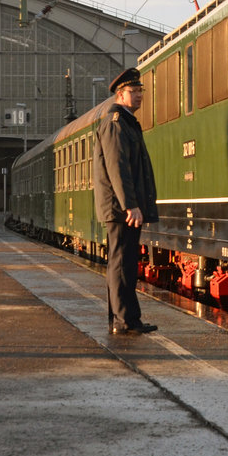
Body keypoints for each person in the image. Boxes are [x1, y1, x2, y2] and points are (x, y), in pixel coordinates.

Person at [92, 67, 160, 336]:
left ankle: (128, 318)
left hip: (124, 207)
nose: (140, 95)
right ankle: (124, 320)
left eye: (141, 91)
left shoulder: (126, 122)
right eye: (134, 92)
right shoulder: (116, 123)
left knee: (126, 262)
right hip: (121, 209)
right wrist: (130, 204)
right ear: (121, 94)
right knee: (121, 263)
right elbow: (117, 167)